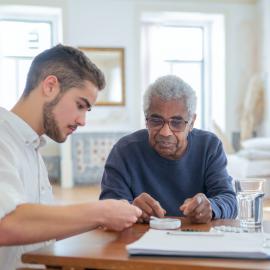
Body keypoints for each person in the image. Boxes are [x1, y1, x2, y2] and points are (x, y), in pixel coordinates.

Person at [0, 44, 141, 270]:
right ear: (50, 86)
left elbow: (43, 231)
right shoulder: (3, 138)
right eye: (80, 105)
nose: (82, 121)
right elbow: (6, 224)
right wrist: (102, 212)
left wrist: (115, 216)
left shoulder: (30, 147)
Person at [100, 75, 237, 224]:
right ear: (146, 120)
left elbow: (229, 200)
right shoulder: (124, 151)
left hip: (196, 239)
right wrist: (131, 209)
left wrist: (211, 207)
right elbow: (106, 210)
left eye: (177, 122)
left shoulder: (209, 146)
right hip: (140, 240)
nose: (165, 132)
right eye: (156, 121)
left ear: (191, 122)